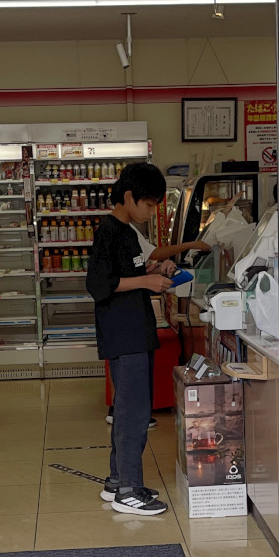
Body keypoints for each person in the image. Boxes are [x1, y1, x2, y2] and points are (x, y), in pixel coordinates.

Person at [86, 161, 205, 516]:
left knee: (132, 411)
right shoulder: (109, 232)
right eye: (149, 205)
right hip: (125, 335)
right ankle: (128, 491)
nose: (151, 212)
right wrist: (145, 281)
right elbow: (98, 285)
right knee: (133, 415)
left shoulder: (126, 233)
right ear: (128, 197)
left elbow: (126, 274)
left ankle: (116, 480)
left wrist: (155, 271)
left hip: (136, 331)